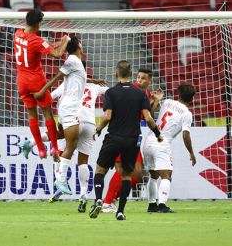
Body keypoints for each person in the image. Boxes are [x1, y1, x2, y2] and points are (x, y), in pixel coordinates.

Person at [88, 60, 163, 221]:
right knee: (127, 175)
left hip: (113, 137)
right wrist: (157, 133)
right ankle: (120, 211)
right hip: (132, 139)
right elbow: (148, 117)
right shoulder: (140, 94)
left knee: (100, 171)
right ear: (131, 75)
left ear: (116, 74)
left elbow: (107, 116)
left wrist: (98, 129)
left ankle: (100, 200)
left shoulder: (111, 92)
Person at [33, 36, 87, 196]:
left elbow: (73, 79)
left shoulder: (75, 62)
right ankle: (61, 179)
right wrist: (43, 91)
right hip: (70, 108)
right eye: (81, 43)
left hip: (66, 107)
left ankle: (30, 143)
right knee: (72, 144)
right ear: (78, 45)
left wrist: (93, 80)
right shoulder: (73, 60)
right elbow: (57, 77)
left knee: (60, 135)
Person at [14, 9, 70, 159]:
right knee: (47, 113)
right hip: (36, 81)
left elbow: (45, 45)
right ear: (38, 24)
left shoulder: (18, 34)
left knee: (32, 114)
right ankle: (54, 148)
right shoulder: (37, 41)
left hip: (22, 81)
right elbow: (58, 54)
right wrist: (65, 41)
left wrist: (56, 43)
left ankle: (40, 149)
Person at [48, 79, 109, 212]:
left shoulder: (68, 83)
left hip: (71, 120)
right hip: (90, 123)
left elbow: (50, 97)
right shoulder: (95, 86)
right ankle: (83, 194)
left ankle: (61, 180)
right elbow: (111, 91)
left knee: (61, 150)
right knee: (83, 161)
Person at [142, 84, 197, 213]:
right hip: (162, 143)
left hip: (149, 141)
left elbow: (149, 114)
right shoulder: (187, 114)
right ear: (192, 99)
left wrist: (156, 100)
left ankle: (151, 205)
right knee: (167, 176)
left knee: (154, 175)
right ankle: (162, 205)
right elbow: (186, 135)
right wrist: (191, 153)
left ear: (179, 95)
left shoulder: (167, 102)